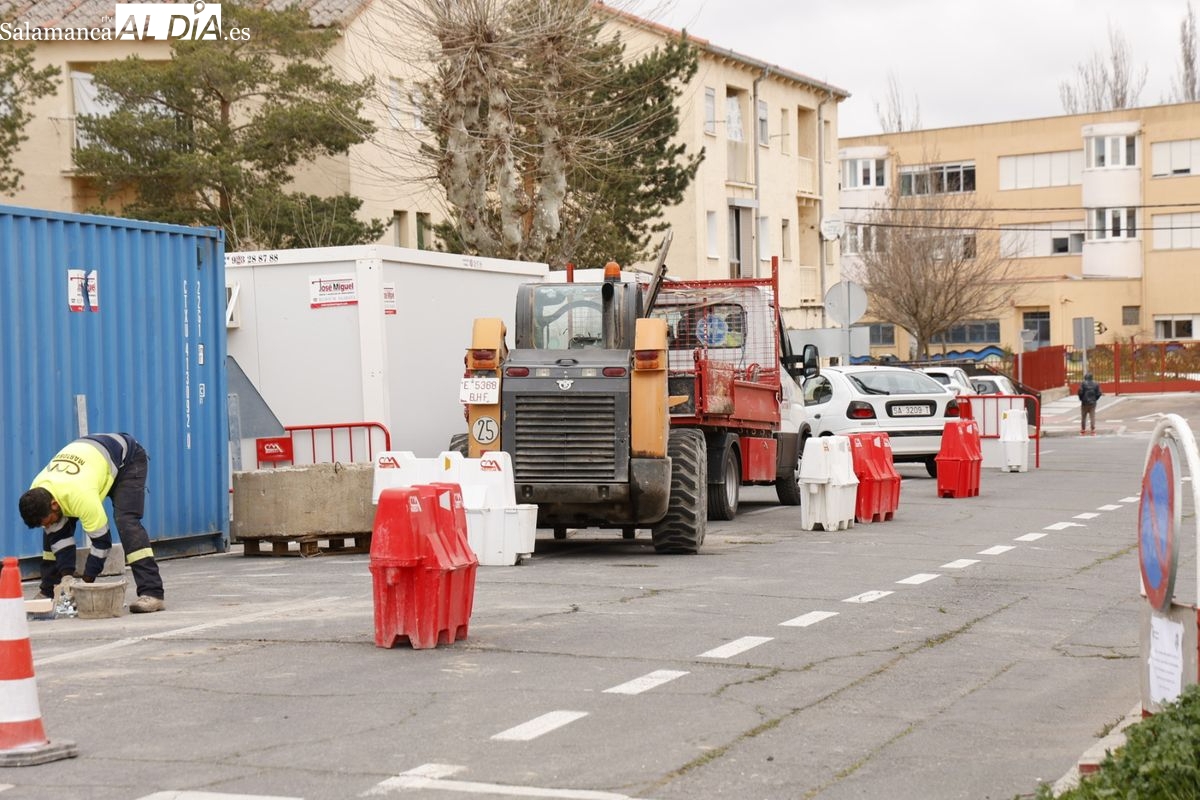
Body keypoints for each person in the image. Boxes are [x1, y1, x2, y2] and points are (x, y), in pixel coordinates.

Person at [18, 433, 165, 613]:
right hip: (91, 462)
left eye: (46, 521)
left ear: (54, 504)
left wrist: (85, 584)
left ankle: (152, 593)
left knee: (127, 522)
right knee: (51, 533)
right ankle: (48, 591)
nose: (47, 525)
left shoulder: (81, 496)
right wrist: (66, 578)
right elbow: (58, 537)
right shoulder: (39, 489)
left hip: (126, 458)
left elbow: (102, 543)